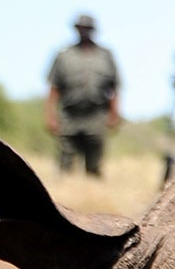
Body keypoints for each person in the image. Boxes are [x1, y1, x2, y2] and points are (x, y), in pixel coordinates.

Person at [44, 14, 120, 176]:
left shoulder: (105, 55)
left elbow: (114, 88)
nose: (84, 31)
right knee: (65, 161)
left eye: (87, 28)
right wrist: (51, 116)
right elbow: (53, 88)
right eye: (81, 28)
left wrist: (114, 114)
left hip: (96, 115)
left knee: (94, 163)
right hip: (70, 115)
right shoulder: (64, 55)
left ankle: (92, 196)